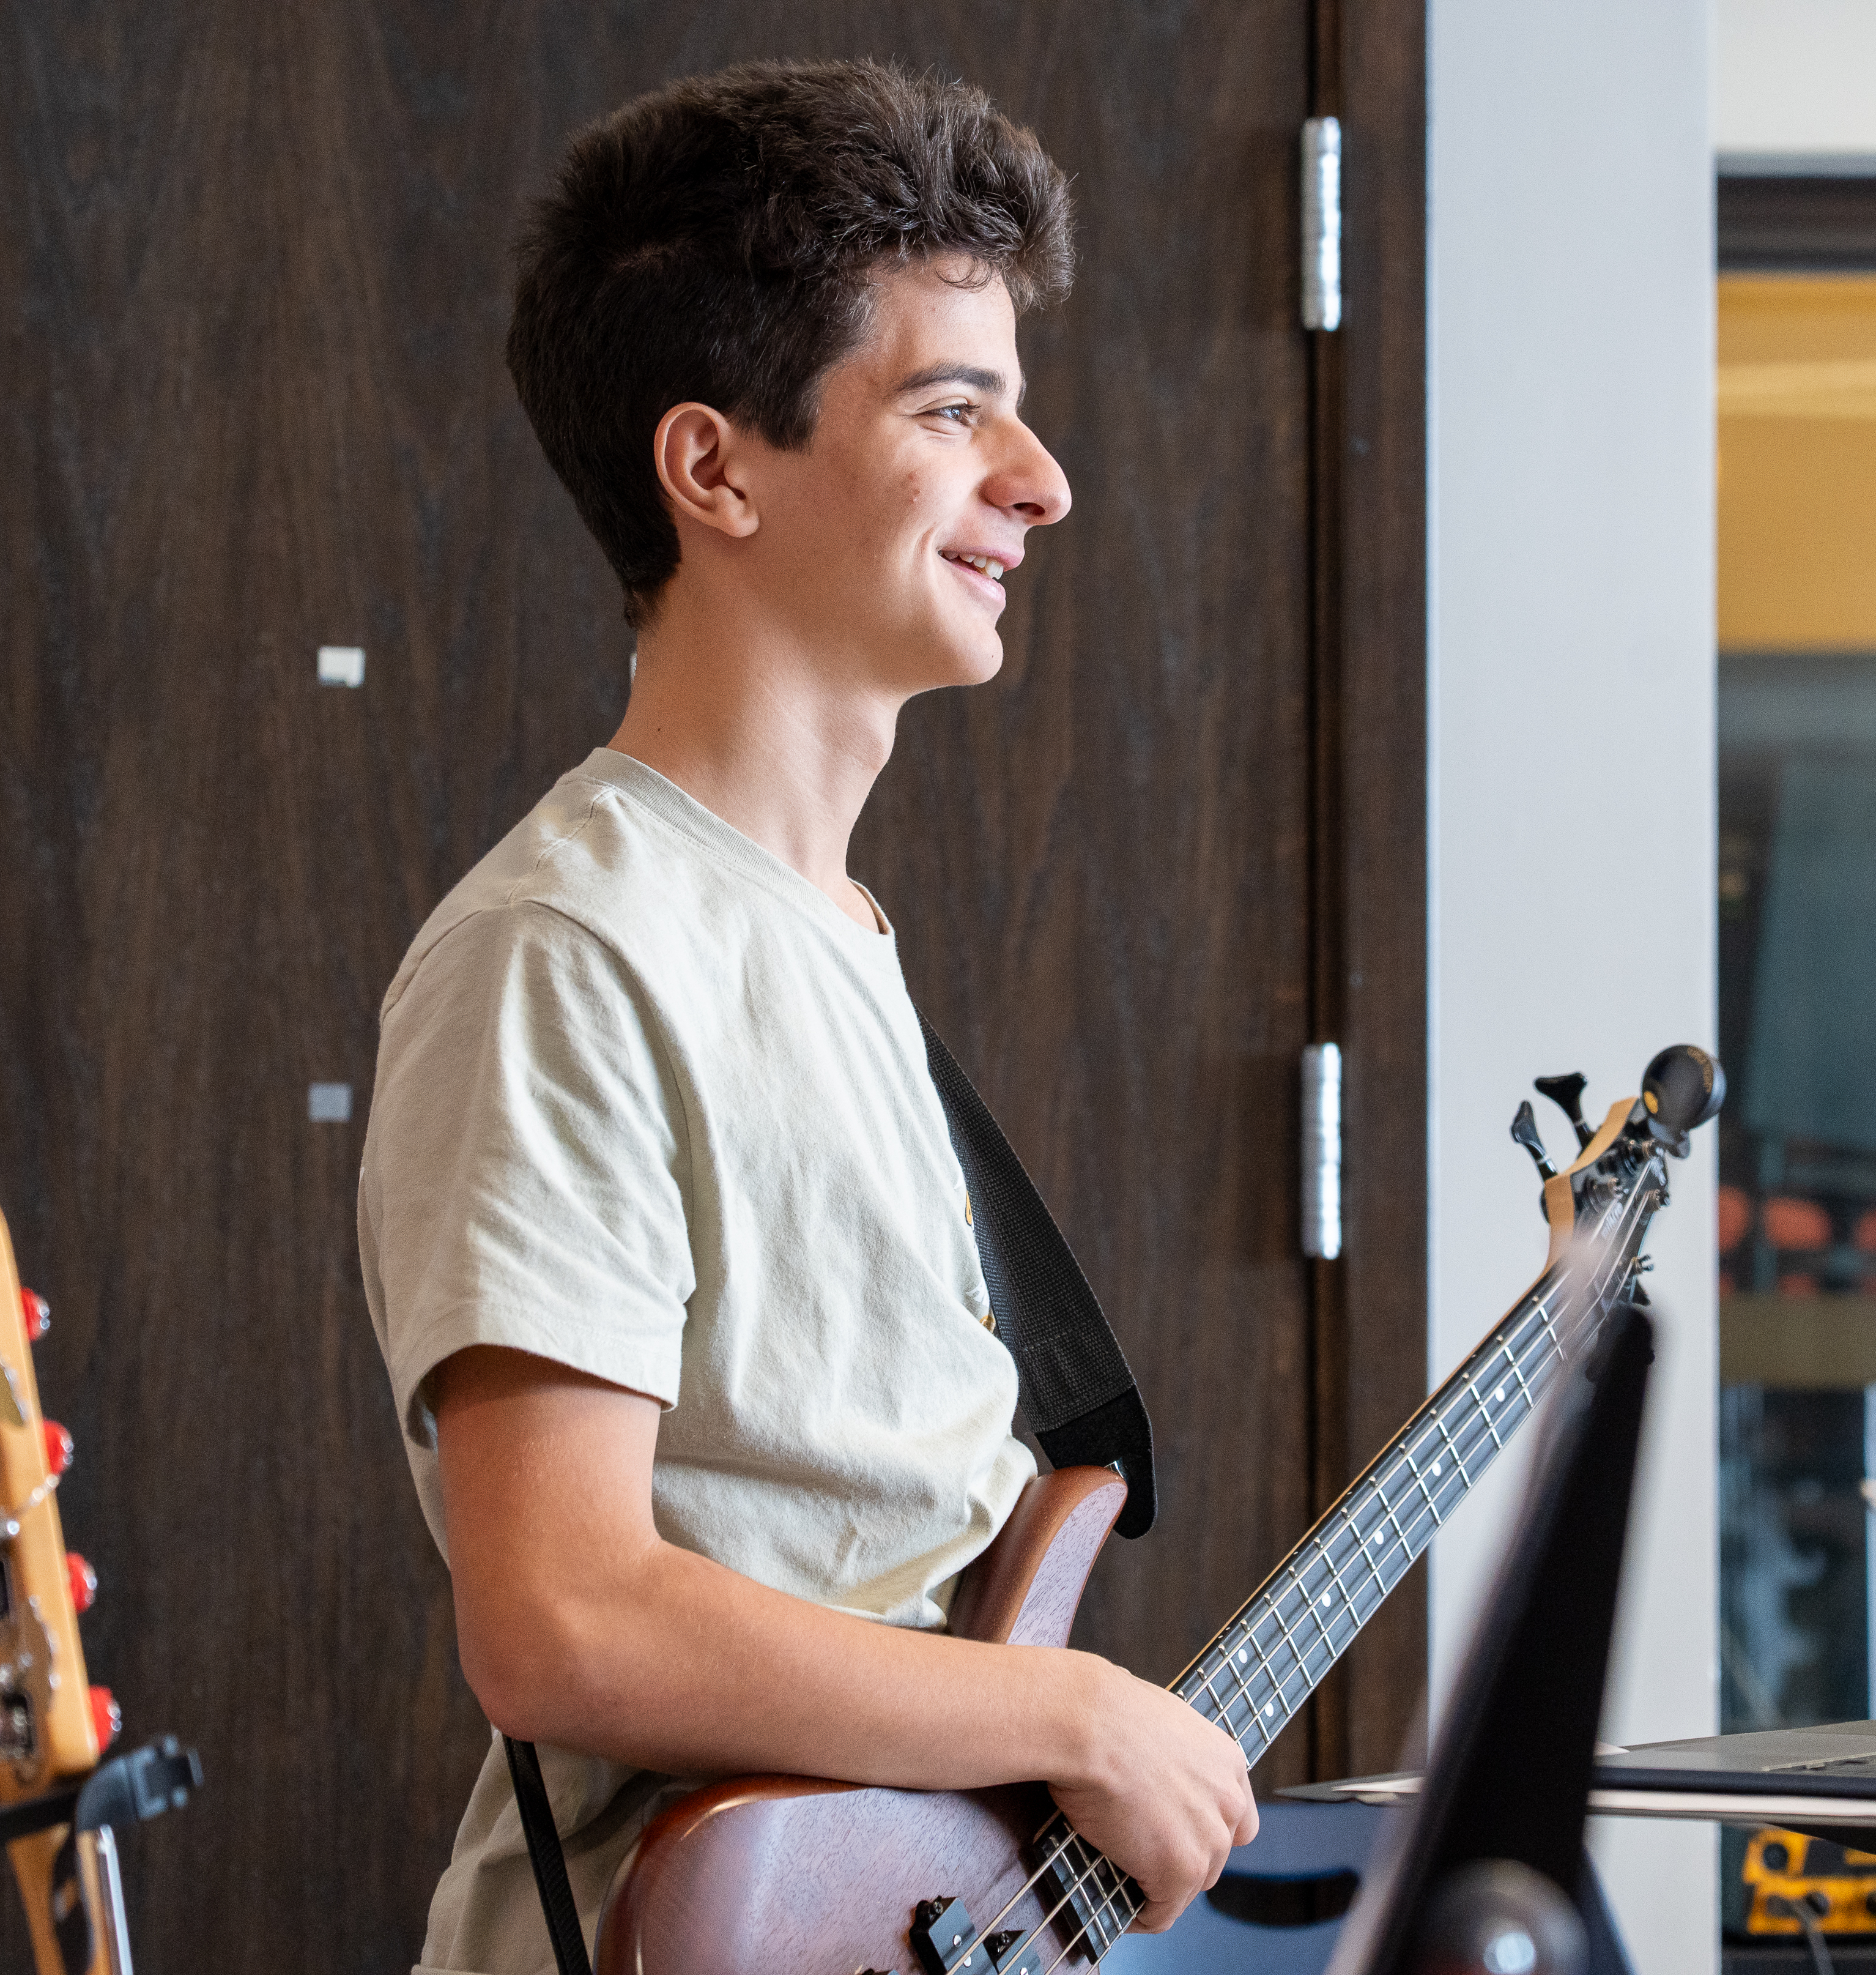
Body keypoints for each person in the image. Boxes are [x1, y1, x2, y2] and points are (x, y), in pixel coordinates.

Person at [358, 59, 1257, 1975]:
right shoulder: (567, 946)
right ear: (715, 467)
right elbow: (563, 1617)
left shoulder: (837, 933)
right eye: (955, 411)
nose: (1042, 483)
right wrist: (1078, 1717)